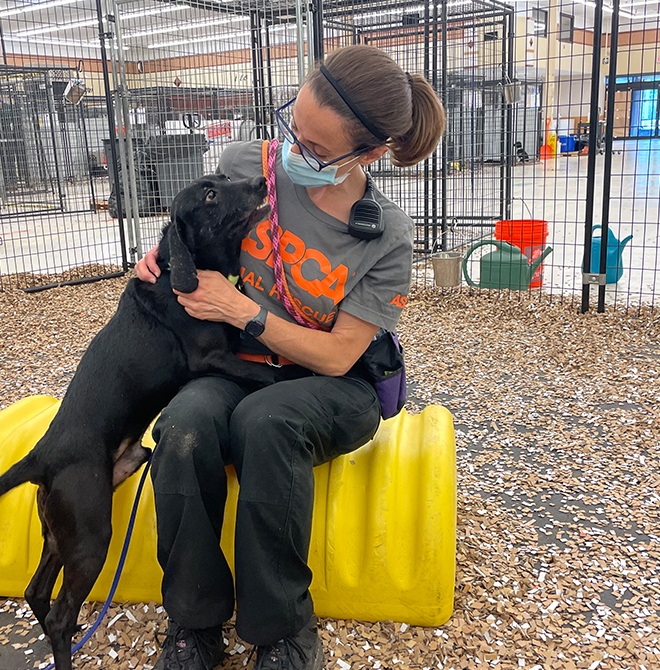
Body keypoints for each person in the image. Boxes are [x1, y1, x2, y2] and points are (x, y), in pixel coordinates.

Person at [134, 45, 446, 670]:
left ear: (372, 153)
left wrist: (241, 311)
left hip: (334, 385)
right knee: (185, 428)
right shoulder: (246, 165)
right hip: (239, 365)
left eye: (315, 148)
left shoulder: (384, 233)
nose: (292, 152)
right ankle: (194, 622)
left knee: (267, 424)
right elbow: (196, 232)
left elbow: (337, 356)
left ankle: (282, 630)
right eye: (292, 129)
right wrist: (166, 257)